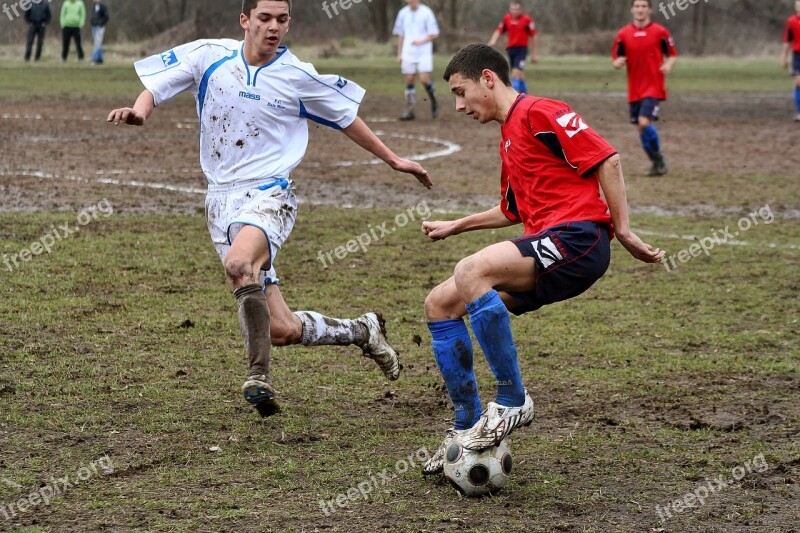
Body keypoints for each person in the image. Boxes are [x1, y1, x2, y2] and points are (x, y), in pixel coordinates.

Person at [107, 0, 433, 419]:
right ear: (245, 20)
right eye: (264, 18)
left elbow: (347, 117)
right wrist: (140, 111)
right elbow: (159, 85)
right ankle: (361, 330)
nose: (273, 27)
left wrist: (394, 160)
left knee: (239, 265)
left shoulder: (297, 76)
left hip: (270, 195)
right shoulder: (210, 55)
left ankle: (258, 376)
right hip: (220, 200)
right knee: (281, 329)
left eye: (282, 19)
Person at [419, 43, 665, 475]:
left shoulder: (540, 111)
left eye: (461, 92)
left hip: (579, 238)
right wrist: (456, 225)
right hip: (553, 245)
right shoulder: (508, 136)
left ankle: (512, 399)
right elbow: (512, 211)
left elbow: (606, 157)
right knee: (441, 303)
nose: (458, 106)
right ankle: (466, 427)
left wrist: (622, 229)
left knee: (470, 270)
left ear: (488, 80)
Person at [612, 0, 677, 177]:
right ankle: (656, 162)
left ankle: (659, 159)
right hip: (634, 89)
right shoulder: (623, 34)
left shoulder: (660, 32)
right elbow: (616, 58)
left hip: (653, 86)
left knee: (643, 122)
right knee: (640, 128)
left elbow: (672, 54)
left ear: (649, 10)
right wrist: (617, 63)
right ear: (632, 9)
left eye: (643, 6)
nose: (640, 9)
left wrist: (668, 65)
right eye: (637, 6)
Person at [393, 0, 440, 121]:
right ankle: (410, 110)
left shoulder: (426, 12)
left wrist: (421, 41)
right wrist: (399, 53)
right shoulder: (402, 13)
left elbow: (435, 34)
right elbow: (401, 35)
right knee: (409, 79)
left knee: (424, 80)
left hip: (423, 52)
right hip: (408, 52)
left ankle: (434, 100)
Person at [487, 1, 538, 94]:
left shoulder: (527, 20)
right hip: (511, 49)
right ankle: (525, 94)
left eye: (517, 9)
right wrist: (493, 41)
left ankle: (514, 95)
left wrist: (534, 54)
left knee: (516, 71)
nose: (514, 11)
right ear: (510, 9)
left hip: (522, 49)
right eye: (513, 9)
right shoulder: (507, 18)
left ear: (521, 9)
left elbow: (534, 36)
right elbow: (499, 30)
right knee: (520, 73)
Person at [782, 0, 800, 121]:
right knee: (798, 83)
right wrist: (784, 56)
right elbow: (787, 41)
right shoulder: (792, 21)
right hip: (797, 54)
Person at [90, 0, 110, 65]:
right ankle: (100, 59)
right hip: (94, 26)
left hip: (100, 27)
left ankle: (94, 59)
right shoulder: (94, 6)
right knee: (98, 44)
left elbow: (106, 16)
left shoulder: (103, 6)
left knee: (97, 44)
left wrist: (100, 24)